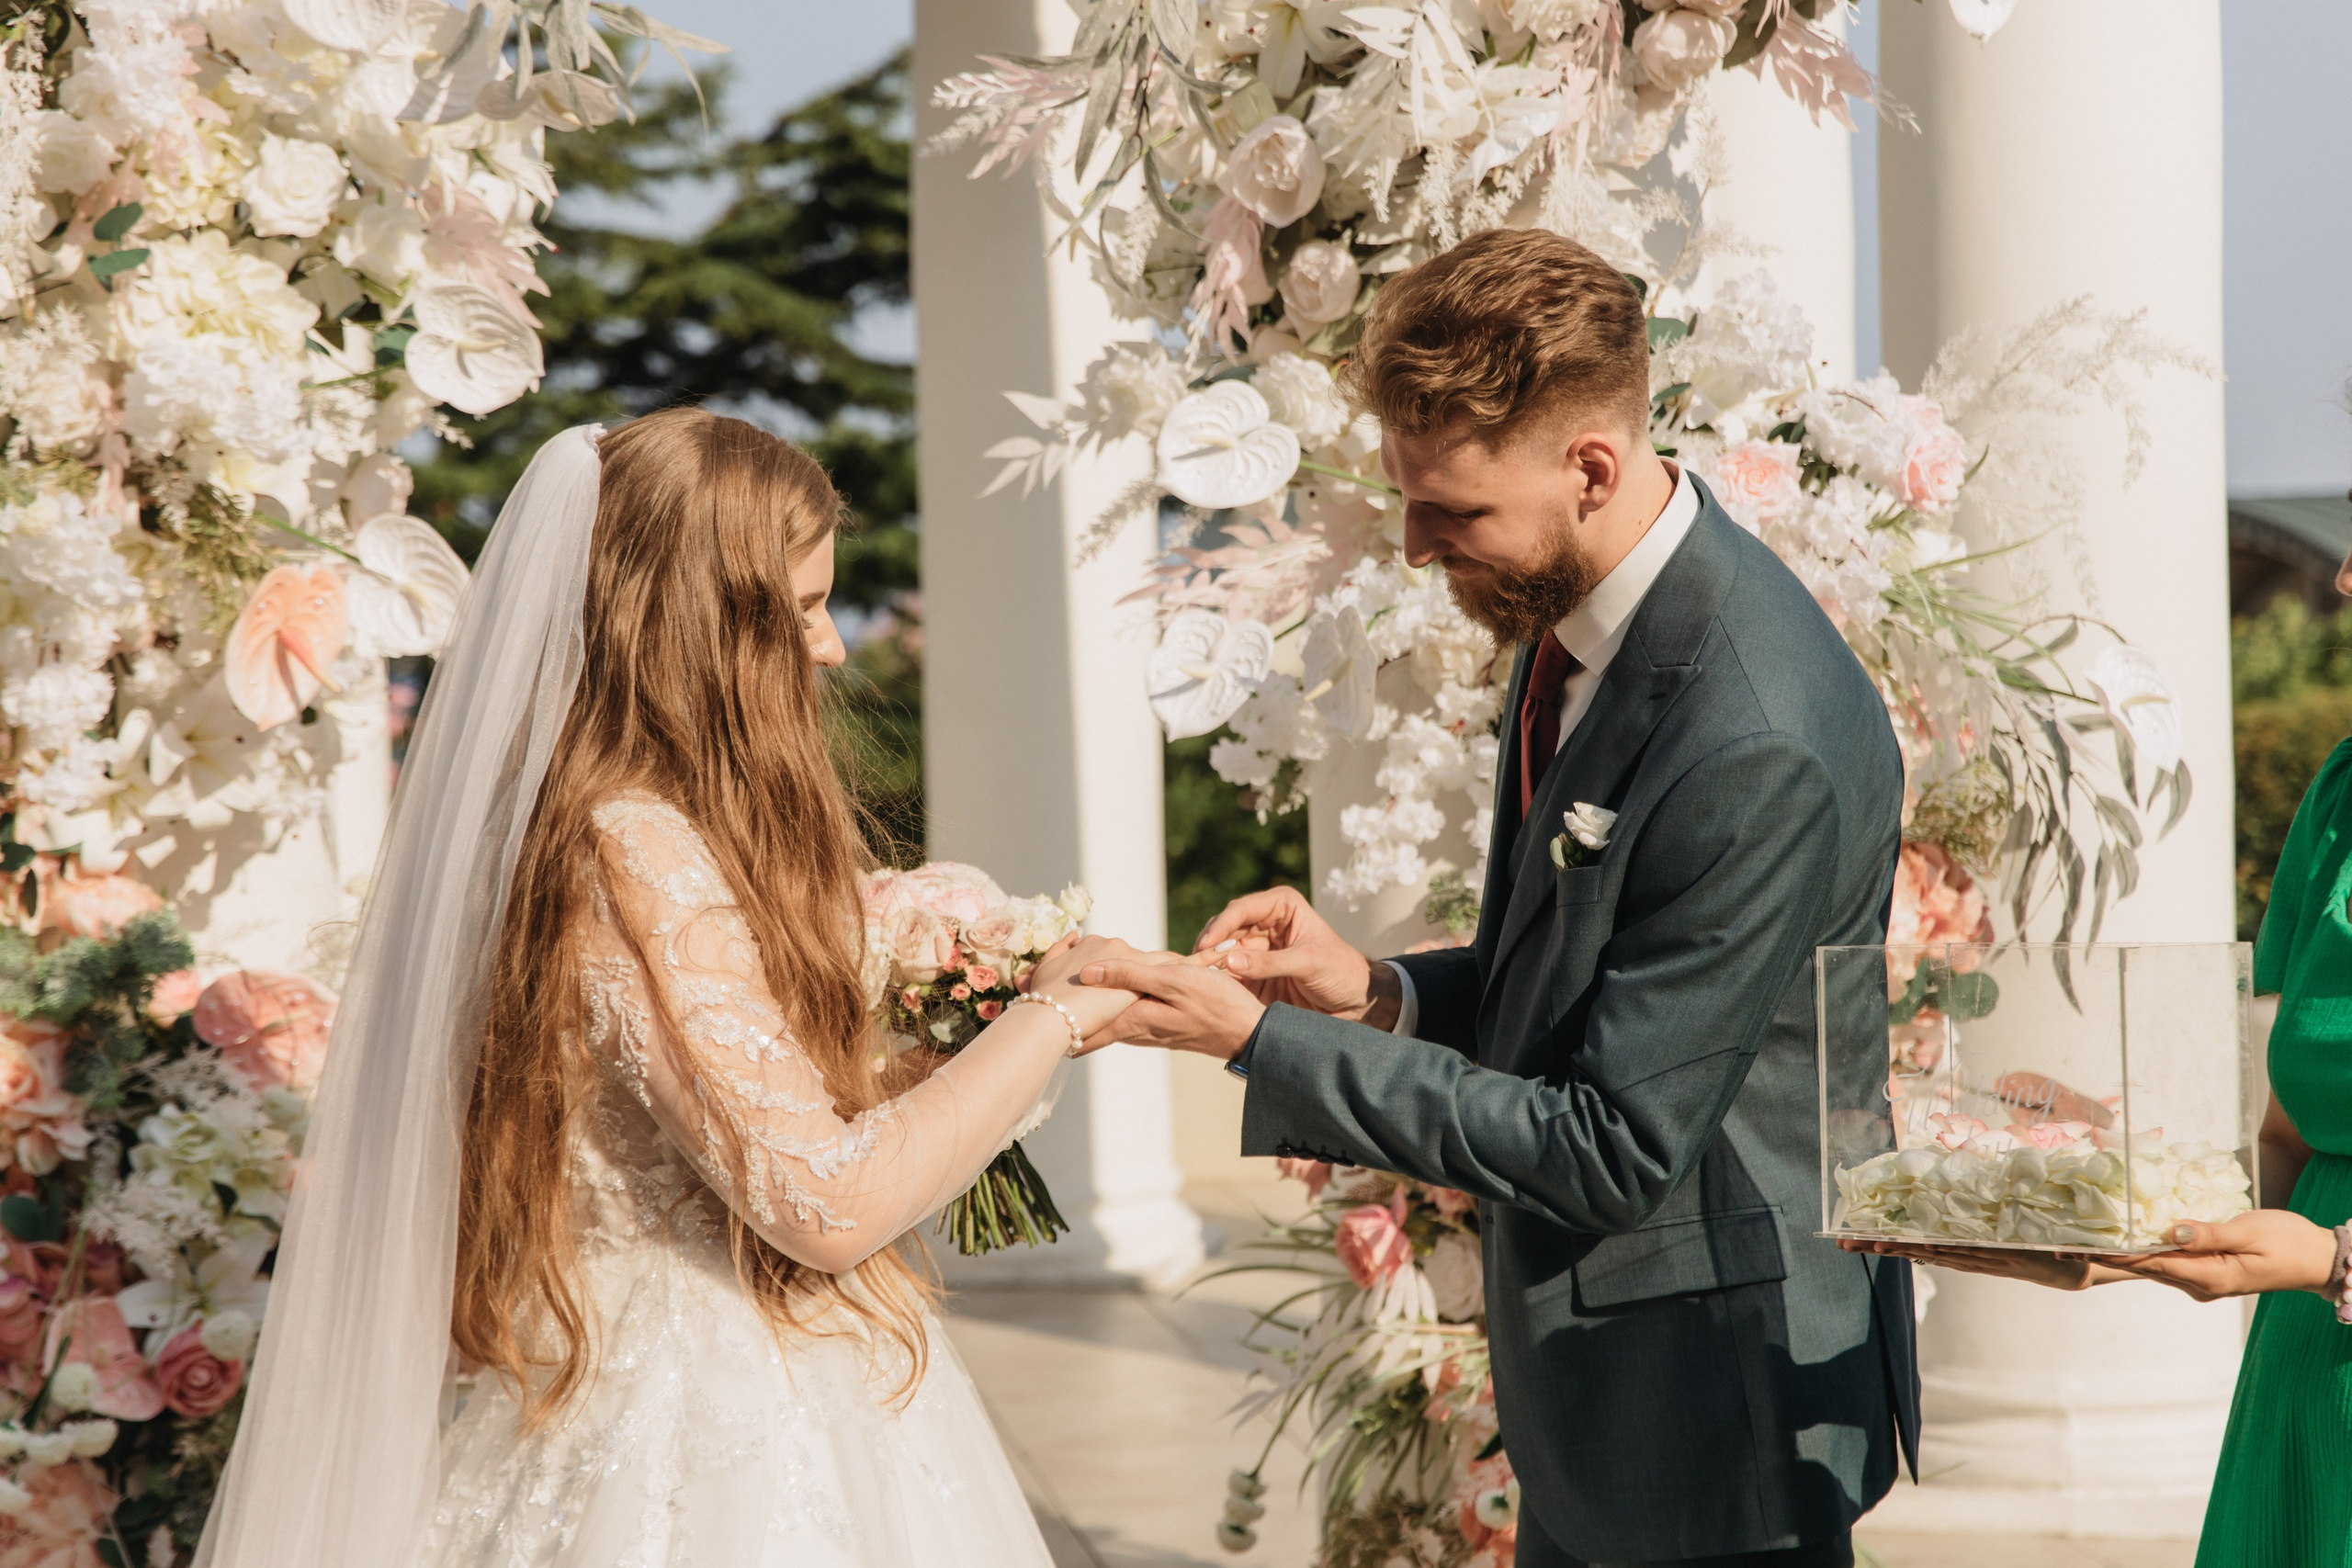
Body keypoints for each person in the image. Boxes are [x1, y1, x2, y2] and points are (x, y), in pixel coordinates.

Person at [1077, 229, 1918, 1567]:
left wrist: (1256, 1039)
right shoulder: (1585, 613)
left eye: (1452, 510)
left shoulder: (1750, 729)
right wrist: (1384, 989)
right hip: (1607, 1400)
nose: (1414, 546)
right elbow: (1596, 969)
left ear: (1591, 466)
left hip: (1712, 1418)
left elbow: (1611, 1144)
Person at [195, 410, 1153, 1567]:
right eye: (802, 609)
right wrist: (1054, 1017)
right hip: (705, 1426)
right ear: (704, 626)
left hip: (720, 1370)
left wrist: (968, 1040)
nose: (834, 647)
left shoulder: (611, 829)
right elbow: (821, 1205)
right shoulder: (631, 848)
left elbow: (751, 1128)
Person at [1848, 524, 2352, 1563]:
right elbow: (2290, 1135)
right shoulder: (2341, 795)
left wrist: (2332, 1258)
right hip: (2305, 1391)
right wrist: (2097, 1190)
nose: (2343, 575)